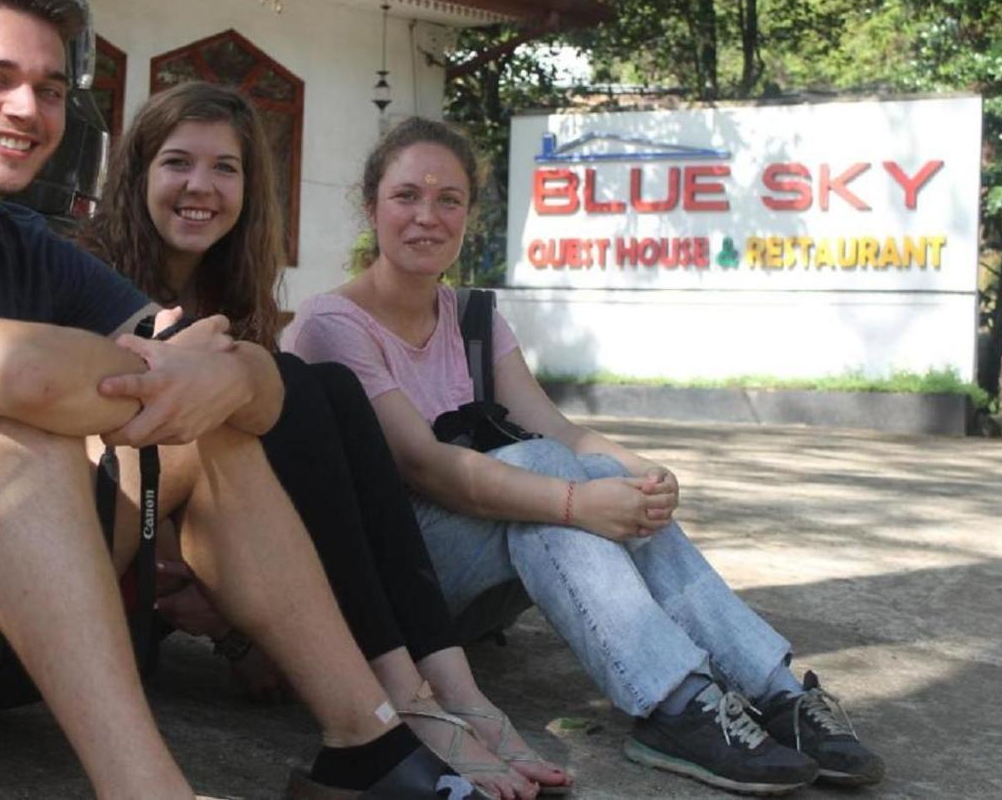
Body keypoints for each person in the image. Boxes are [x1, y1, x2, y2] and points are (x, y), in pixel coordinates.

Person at [0, 0, 475, 799]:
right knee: (1, 438)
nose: (26, 108)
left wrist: (225, 377)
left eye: (50, 88)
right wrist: (185, 371)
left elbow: (263, 394)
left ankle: (366, 747)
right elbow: (15, 373)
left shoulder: (26, 245)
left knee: (208, 420)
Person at [285, 116, 888, 796]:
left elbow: (559, 428)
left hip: (480, 577)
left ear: (470, 215)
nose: (427, 216)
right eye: (406, 197)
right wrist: (578, 500)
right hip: (400, 595)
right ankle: (672, 703)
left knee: (590, 472)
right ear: (372, 207)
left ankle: (774, 691)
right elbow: (423, 466)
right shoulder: (334, 324)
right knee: (549, 475)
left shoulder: (473, 318)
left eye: (448, 199)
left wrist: (643, 477)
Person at [78, 81, 573, 799]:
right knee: (304, 385)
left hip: (197, 553)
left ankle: (450, 693)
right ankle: (404, 697)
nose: (201, 186)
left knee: (322, 388)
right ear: (138, 175)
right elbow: (124, 462)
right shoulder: (88, 277)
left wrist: (237, 625)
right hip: (110, 563)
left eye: (226, 168)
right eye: (178, 162)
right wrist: (235, 632)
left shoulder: (232, 295)